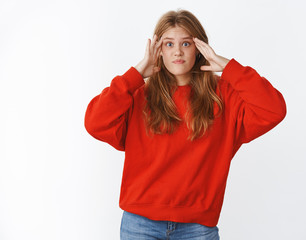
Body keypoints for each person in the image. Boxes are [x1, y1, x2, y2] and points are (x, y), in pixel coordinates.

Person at [84, 9, 286, 240]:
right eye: (168, 44)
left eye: (186, 44)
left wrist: (231, 69)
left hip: (197, 227)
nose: (177, 51)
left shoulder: (223, 96)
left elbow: (274, 109)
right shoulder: (139, 94)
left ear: (199, 48)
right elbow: (95, 122)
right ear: (157, 50)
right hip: (140, 223)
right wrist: (136, 74)